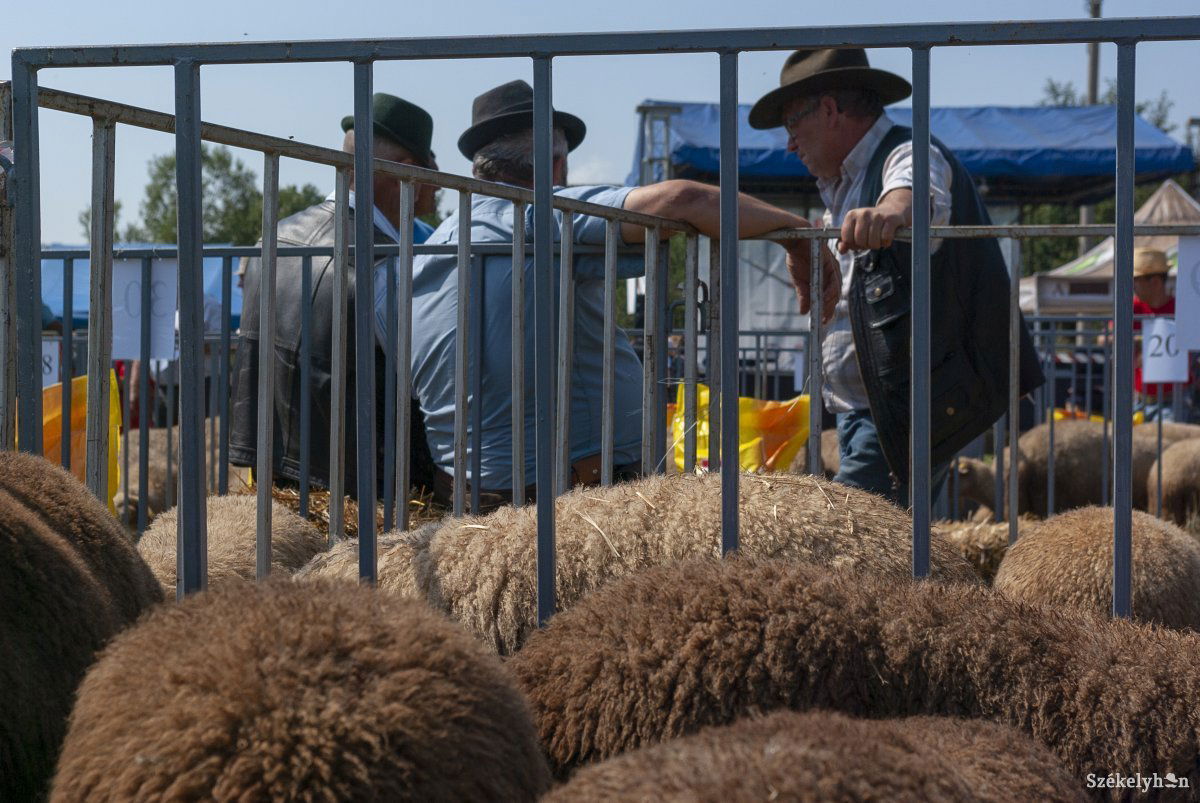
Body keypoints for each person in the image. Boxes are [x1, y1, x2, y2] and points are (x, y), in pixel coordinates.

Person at [410, 79, 840, 512]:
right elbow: (683, 199)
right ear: (555, 165)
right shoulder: (537, 216)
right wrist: (800, 237)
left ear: (476, 169)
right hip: (561, 499)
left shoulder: (431, 245)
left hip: (462, 494)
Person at [748, 48, 1044, 506]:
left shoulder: (908, 152)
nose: (789, 144)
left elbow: (917, 193)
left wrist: (890, 212)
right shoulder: (844, 183)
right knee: (888, 554)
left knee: (846, 548)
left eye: (792, 126)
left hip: (898, 414)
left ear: (829, 110)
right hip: (870, 410)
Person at [229, 93, 440, 498]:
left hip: (278, 486)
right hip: (360, 497)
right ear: (408, 171)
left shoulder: (273, 238)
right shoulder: (386, 265)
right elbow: (421, 383)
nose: (440, 180)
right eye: (433, 163)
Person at [1132, 247, 1193, 422]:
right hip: (1138, 401)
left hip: (1174, 401)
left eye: (1136, 280)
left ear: (1156, 282)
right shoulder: (1132, 308)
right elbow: (1105, 337)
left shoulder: (1183, 309)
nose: (1133, 286)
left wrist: (1141, 342)